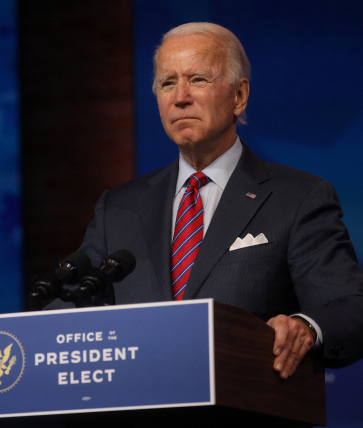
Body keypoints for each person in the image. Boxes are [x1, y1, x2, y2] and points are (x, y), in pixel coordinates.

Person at [67, 22, 363, 379]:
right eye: (167, 83)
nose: (180, 97)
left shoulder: (298, 198)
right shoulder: (118, 208)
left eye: (198, 79)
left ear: (239, 96)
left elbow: (349, 306)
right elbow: (67, 312)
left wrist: (306, 326)